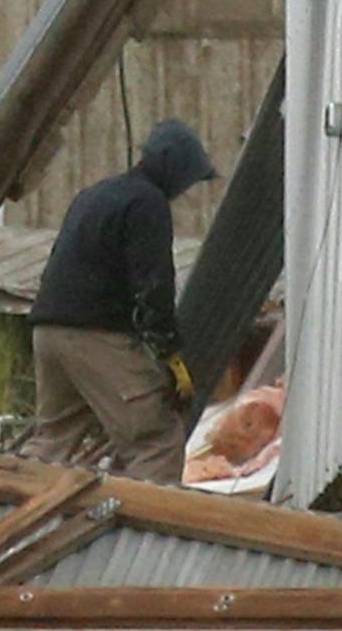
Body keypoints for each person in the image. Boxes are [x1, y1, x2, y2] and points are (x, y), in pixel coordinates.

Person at [24, 118, 218, 485]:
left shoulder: (94, 194)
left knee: (54, 439)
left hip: (47, 332)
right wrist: (168, 353)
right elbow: (153, 282)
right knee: (155, 440)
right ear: (173, 168)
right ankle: (149, 533)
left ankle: (6, 507)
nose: (186, 188)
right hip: (93, 336)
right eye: (189, 178)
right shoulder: (148, 202)